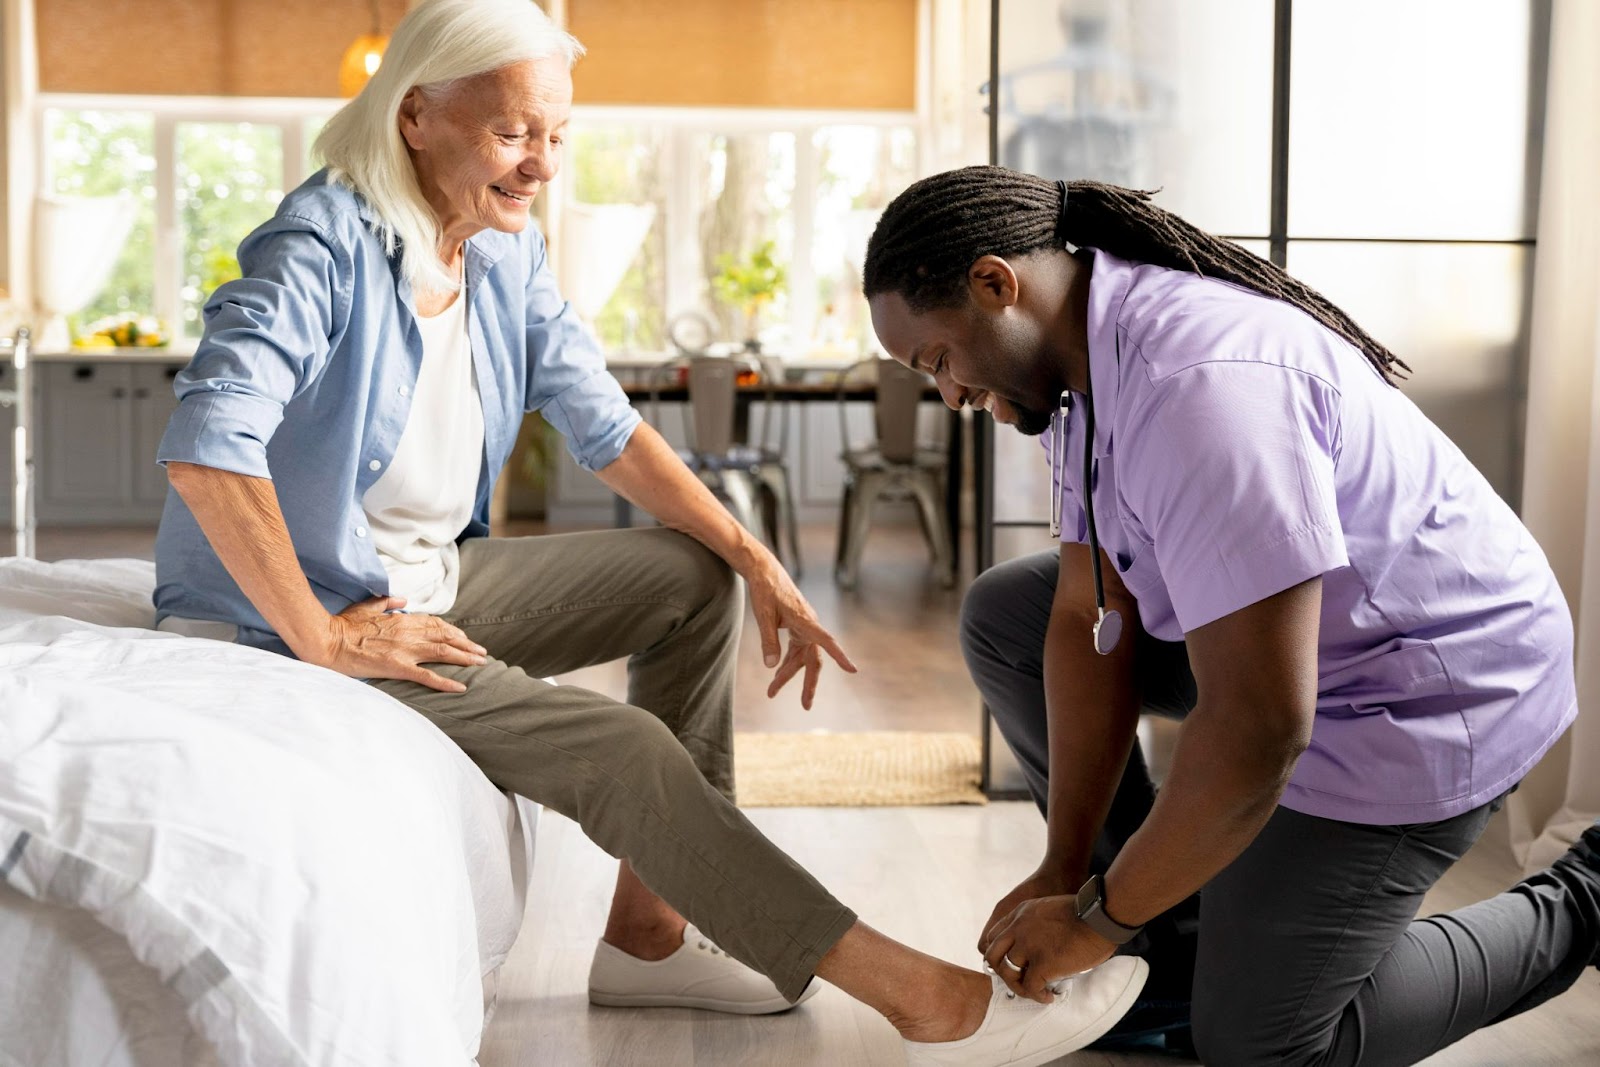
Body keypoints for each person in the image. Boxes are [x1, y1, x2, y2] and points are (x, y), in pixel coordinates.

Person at [151, 4, 1148, 1063]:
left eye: (555, 135)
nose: (538, 164)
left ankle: (647, 934)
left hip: (431, 577)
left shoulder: (499, 252)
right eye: (510, 134)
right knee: (622, 748)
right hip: (305, 609)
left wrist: (757, 558)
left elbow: (608, 428)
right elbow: (208, 441)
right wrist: (320, 633)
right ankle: (921, 997)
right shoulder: (320, 245)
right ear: (414, 117)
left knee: (691, 573)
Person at [863, 164, 1600, 1066]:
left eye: (938, 360)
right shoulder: (1072, 372)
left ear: (994, 284)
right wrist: (1070, 869)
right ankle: (1169, 934)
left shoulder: (1199, 387)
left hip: (1430, 683)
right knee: (1006, 615)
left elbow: (1257, 726)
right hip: (1308, 654)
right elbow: (1085, 615)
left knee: (1262, 1043)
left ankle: (1587, 896)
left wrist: (1096, 923)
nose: (949, 394)